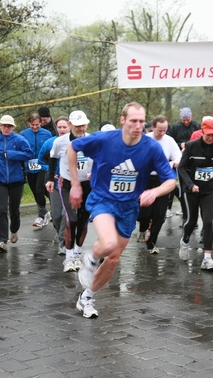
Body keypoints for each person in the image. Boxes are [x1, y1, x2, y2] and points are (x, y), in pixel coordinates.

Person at [69, 102, 176, 318]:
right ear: (123, 120)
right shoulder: (104, 140)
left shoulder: (151, 148)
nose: (138, 126)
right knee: (108, 243)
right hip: (103, 200)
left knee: (113, 258)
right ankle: (90, 259)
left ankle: (87, 297)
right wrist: (75, 184)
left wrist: (154, 192)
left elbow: (170, 181)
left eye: (141, 121)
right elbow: (72, 148)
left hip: (129, 206)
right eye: (133, 121)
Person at [46, 110, 93, 273]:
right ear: (70, 125)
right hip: (67, 184)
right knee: (71, 219)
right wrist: (50, 178)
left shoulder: (92, 140)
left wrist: (96, 173)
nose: (81, 129)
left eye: (83, 125)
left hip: (87, 184)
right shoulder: (60, 141)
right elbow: (52, 157)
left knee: (83, 220)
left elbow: (101, 159)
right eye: (77, 126)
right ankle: (69, 257)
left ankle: (77, 254)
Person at [178, 118, 213, 270]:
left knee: (208, 222)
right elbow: (181, 168)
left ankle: (207, 258)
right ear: (202, 132)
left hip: (209, 190)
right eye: (208, 135)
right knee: (191, 221)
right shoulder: (191, 146)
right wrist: (190, 184)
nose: (211, 138)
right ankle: (185, 241)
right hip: (191, 190)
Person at [0, 115, 34, 252]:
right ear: (0, 126)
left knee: (14, 210)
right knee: (1, 209)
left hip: (17, 179)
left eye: (9, 126)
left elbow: (29, 154)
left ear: (13, 127)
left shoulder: (19, 140)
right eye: (4, 126)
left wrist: (12, 154)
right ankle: (1, 240)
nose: (6, 128)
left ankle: (14, 230)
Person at [137, 115, 181, 254]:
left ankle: (152, 243)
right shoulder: (144, 139)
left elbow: (179, 157)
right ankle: (143, 229)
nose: (162, 133)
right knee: (144, 213)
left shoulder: (169, 140)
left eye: (164, 130)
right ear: (153, 127)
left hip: (163, 180)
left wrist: (173, 163)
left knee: (160, 215)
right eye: (159, 130)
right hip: (145, 179)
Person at [39, 116, 70, 254]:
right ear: (56, 128)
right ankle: (59, 232)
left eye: (64, 127)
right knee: (56, 215)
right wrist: (51, 173)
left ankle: (63, 242)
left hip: (69, 183)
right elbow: (41, 160)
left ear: (69, 127)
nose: (62, 130)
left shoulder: (75, 142)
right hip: (55, 184)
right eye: (59, 127)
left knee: (66, 214)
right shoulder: (50, 143)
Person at [21, 112, 53, 227]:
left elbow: (50, 148)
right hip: (30, 166)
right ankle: (48, 211)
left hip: (43, 166)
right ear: (29, 123)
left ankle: (41, 215)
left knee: (40, 189)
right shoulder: (23, 134)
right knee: (36, 190)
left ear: (40, 123)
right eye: (32, 125)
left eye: (37, 125)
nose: (35, 127)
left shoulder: (47, 134)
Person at [167, 107, 200, 219]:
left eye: (188, 119)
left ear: (192, 116)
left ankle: (194, 210)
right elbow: (170, 142)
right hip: (180, 157)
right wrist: (180, 145)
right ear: (180, 118)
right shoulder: (175, 127)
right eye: (184, 120)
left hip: (194, 157)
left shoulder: (196, 126)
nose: (186, 122)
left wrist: (189, 145)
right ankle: (184, 209)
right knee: (182, 185)